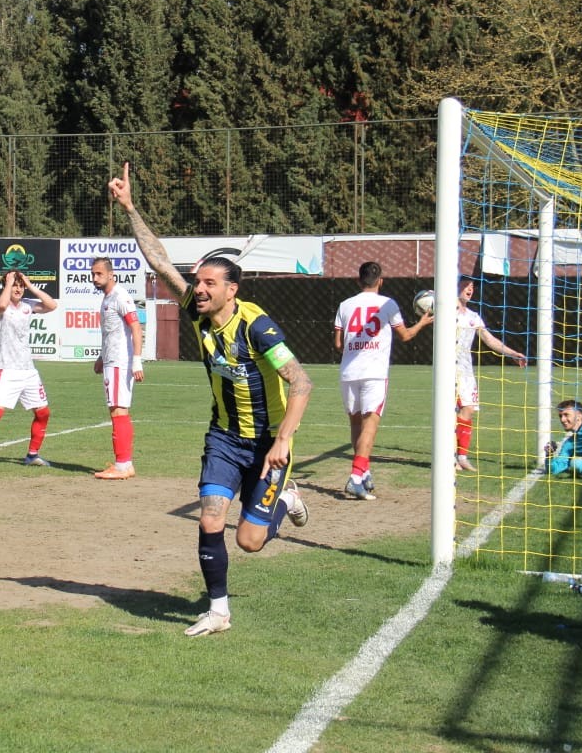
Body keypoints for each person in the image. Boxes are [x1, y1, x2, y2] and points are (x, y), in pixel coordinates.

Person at [109, 162, 311, 637]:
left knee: (250, 541)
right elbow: (160, 261)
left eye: (208, 284)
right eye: (197, 282)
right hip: (224, 438)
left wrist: (282, 442)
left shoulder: (257, 327)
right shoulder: (197, 314)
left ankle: (287, 498)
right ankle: (219, 611)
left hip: (266, 443)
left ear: (231, 290)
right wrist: (130, 208)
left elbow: (301, 383)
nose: (198, 288)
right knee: (210, 518)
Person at [333, 261, 433, 500]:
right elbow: (406, 335)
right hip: (374, 373)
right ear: (381, 281)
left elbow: (338, 345)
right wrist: (422, 322)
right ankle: (356, 477)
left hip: (349, 372)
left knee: (356, 425)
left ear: (358, 281)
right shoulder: (388, 304)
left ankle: (364, 473)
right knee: (370, 425)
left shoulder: (345, 305)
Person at [0, 270, 57, 472]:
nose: (18, 289)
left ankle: (32, 455)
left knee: (43, 413)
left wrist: (30, 285)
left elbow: (52, 305)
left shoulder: (27, 306)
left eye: (20, 286)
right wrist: (8, 283)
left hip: (29, 371)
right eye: (14, 285)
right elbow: (1, 306)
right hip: (8, 370)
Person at [454, 276, 527, 472]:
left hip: (467, 370)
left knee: (468, 411)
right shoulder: (444, 311)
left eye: (472, 287)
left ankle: (461, 456)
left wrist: (512, 353)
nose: (469, 289)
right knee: (460, 410)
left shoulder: (473, 316)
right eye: (465, 285)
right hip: (450, 369)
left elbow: (489, 340)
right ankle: (454, 456)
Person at [90, 256, 144, 480]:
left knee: (118, 410)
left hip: (120, 362)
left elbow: (136, 327)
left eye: (99, 274)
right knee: (118, 409)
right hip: (112, 360)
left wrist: (137, 360)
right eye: (92, 274)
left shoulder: (120, 296)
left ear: (111, 274)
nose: (94, 278)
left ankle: (123, 465)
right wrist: (102, 356)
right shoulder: (107, 298)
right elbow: (113, 333)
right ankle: (123, 463)